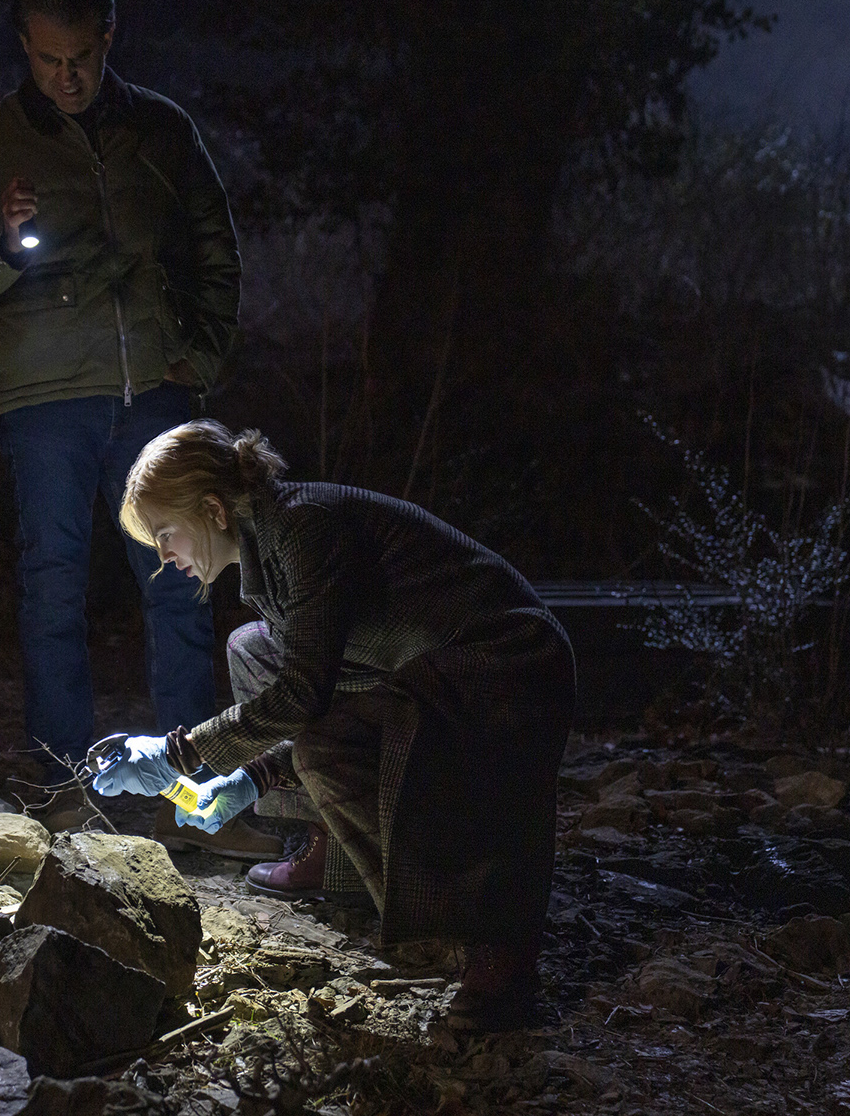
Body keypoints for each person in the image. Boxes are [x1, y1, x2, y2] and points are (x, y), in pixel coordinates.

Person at [0, 0, 278, 861]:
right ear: (24, 48)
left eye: (81, 56)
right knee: (53, 585)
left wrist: (200, 356)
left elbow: (216, 247)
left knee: (181, 587)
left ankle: (193, 802)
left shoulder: (159, 128)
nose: (67, 76)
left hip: (153, 391)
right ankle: (61, 795)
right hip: (46, 398)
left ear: (108, 39)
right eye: (49, 60)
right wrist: (6, 246)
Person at [93, 420, 575, 1031]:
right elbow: (319, 687)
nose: (164, 557)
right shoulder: (270, 544)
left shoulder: (304, 527)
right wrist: (248, 781)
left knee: (331, 741)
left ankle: (492, 944)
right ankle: (342, 859)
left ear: (213, 510)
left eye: (165, 534)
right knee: (258, 655)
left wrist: (179, 753)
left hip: (504, 667)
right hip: (421, 667)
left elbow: (303, 696)